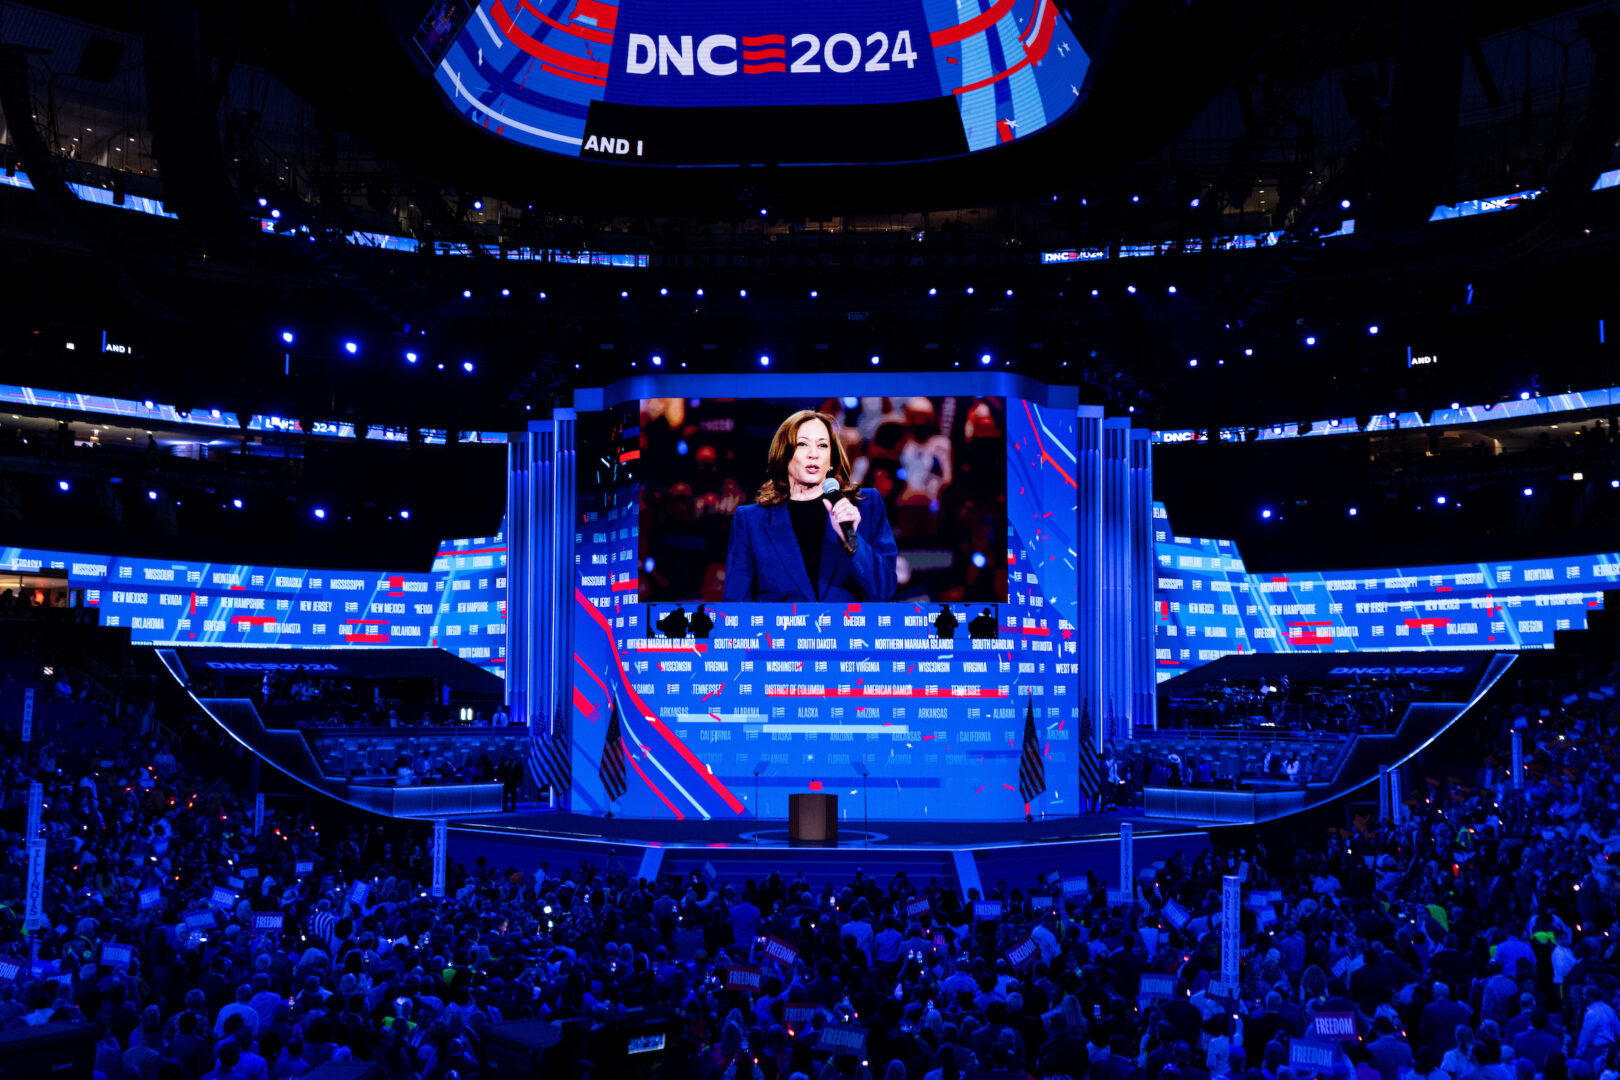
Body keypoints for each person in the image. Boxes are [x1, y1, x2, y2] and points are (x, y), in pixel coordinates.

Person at [723, 410, 898, 602]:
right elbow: (736, 605)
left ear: (831, 460)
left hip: (846, 629)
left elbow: (885, 590)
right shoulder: (751, 521)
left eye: (822, 445)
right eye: (802, 444)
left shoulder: (866, 505)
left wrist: (853, 543)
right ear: (783, 455)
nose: (813, 454)